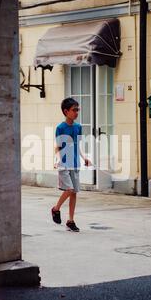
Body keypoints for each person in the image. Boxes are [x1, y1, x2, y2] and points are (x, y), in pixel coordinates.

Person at [51, 97, 92, 232]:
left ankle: (71, 220)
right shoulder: (60, 128)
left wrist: (84, 157)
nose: (76, 112)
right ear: (66, 111)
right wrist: (57, 159)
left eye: (77, 110)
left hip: (75, 162)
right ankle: (56, 209)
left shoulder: (78, 127)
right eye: (74, 110)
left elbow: (77, 145)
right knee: (69, 189)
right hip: (63, 163)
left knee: (74, 192)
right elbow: (57, 146)